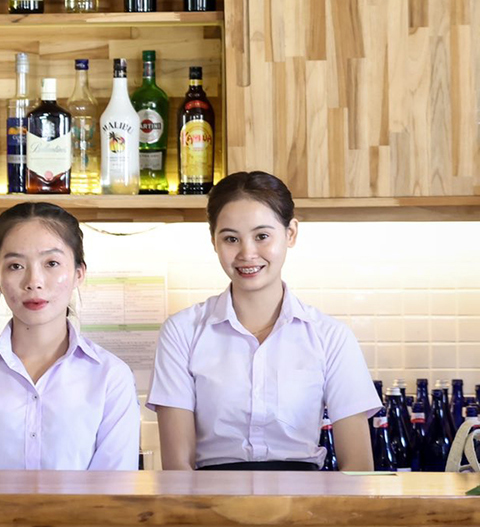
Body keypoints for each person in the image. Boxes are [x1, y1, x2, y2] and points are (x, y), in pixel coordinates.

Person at [149, 171, 377, 470]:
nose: (247, 253)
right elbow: (178, 469)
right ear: (214, 241)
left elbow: (358, 468)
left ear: (290, 233)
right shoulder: (182, 331)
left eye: (262, 236)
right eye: (231, 239)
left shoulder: (331, 336)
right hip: (207, 496)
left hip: (305, 496)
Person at [0, 201, 140, 470]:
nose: (34, 281)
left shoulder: (111, 377)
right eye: (15, 266)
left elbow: (114, 488)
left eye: (51, 263)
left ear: (79, 273)